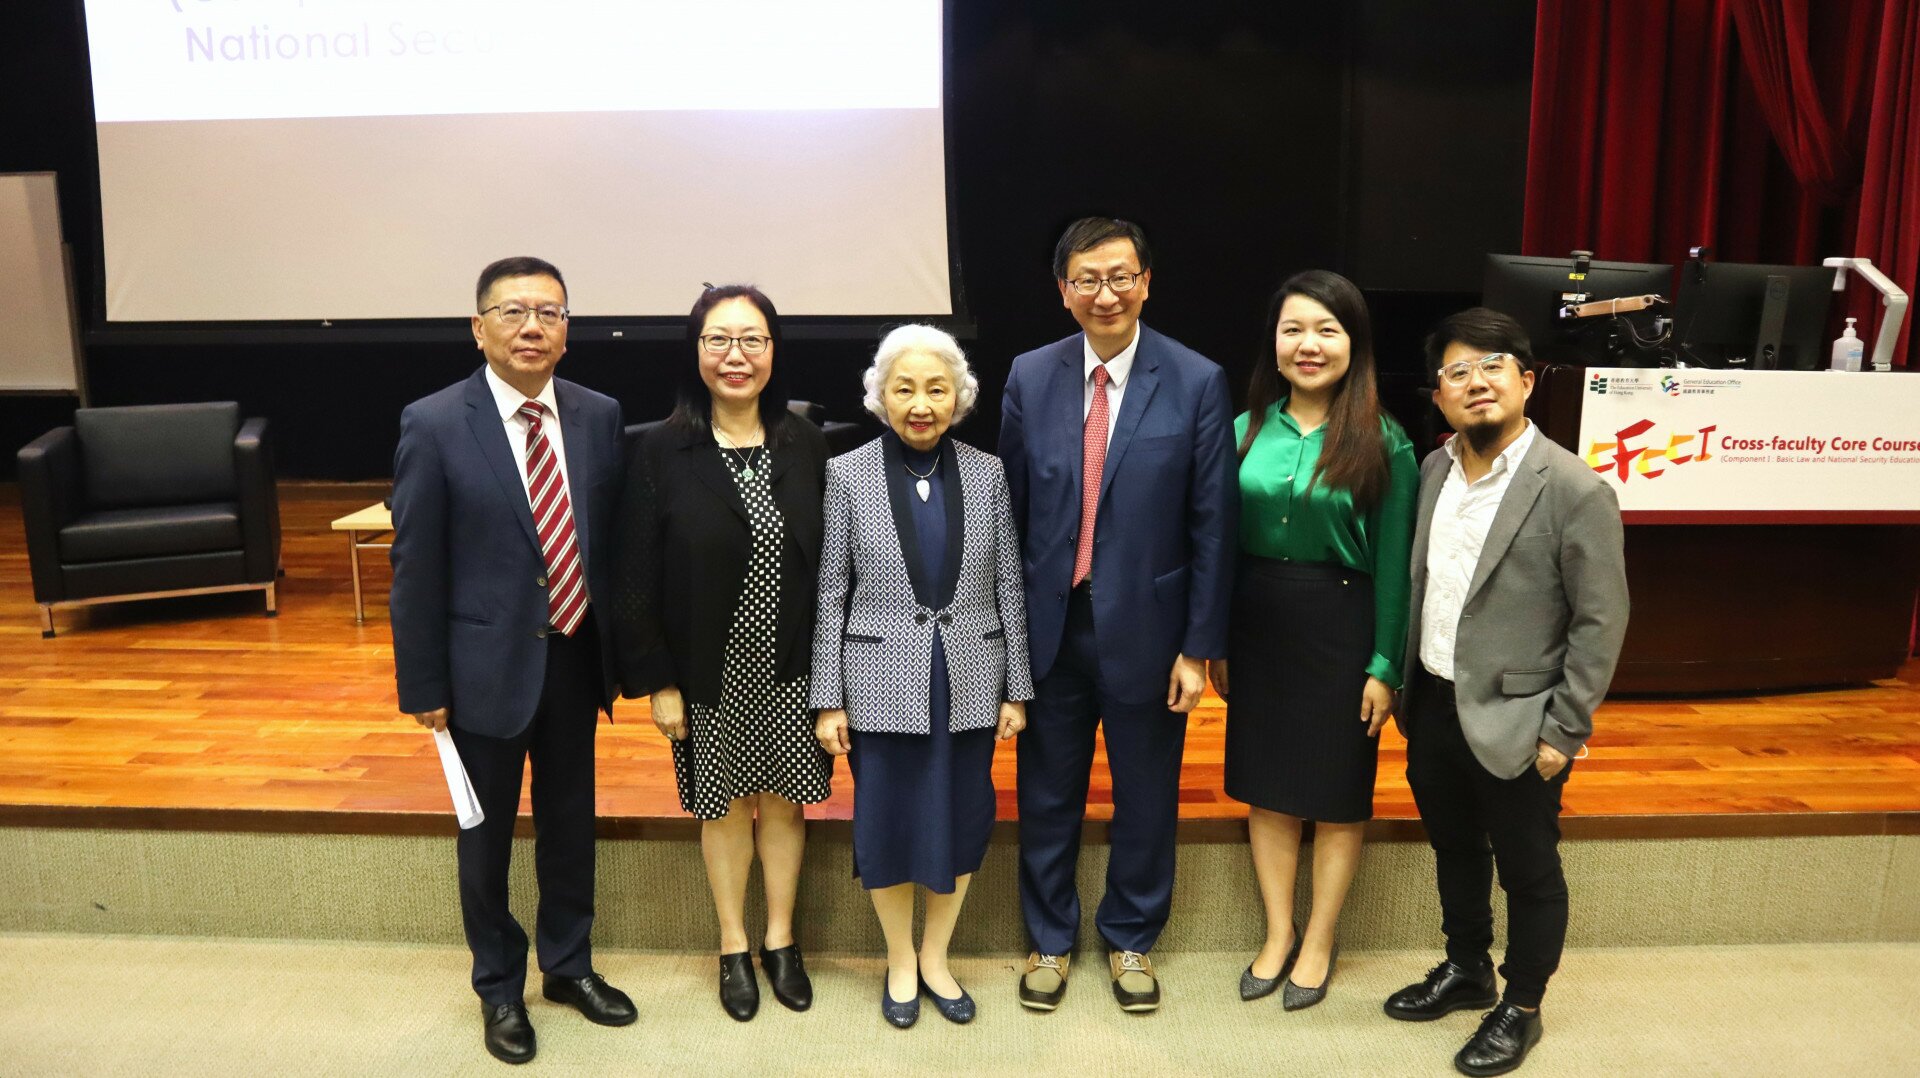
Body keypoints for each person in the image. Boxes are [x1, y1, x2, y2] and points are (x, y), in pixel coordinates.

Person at [391, 256, 635, 1065]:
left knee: (571, 827)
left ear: (568, 330)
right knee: (485, 839)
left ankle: (568, 967)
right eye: (514, 313)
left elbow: (608, 543)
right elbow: (416, 566)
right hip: (478, 672)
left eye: (551, 313)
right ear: (479, 328)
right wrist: (423, 684)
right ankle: (499, 986)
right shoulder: (433, 422)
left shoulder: (598, 416)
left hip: (572, 659)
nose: (533, 328)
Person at [999, 217, 1237, 1013]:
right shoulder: (1030, 376)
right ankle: (1049, 938)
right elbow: (1012, 518)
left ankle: (1132, 937)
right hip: (1051, 630)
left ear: (1146, 282)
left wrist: (1199, 648)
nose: (1106, 293)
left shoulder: (1196, 379)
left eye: (1121, 276)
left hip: (1151, 634)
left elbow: (1213, 525)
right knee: (1047, 792)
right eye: (1087, 280)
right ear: (1063, 291)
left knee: (1145, 794)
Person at [1384, 308, 1627, 1076]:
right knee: (1454, 847)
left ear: (1526, 381)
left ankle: (1521, 1005)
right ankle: (1466, 968)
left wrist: (1563, 731)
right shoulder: (1430, 470)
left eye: (1493, 366)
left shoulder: (1575, 487)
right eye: (1458, 371)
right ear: (1439, 395)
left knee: (1528, 868)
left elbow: (1600, 621)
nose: (1475, 382)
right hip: (1432, 702)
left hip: (1524, 721)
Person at [610, 284, 832, 1023]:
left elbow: (832, 563)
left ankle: (782, 941)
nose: (736, 355)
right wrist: (658, 683)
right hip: (707, 668)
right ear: (696, 351)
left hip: (793, 664)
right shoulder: (661, 449)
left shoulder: (805, 443)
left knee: (787, 806)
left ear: (774, 351)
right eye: (719, 339)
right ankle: (733, 945)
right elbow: (634, 575)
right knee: (726, 807)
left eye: (752, 339)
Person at [812, 324, 1034, 1029]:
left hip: (970, 677)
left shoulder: (987, 471)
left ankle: (937, 957)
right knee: (888, 824)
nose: (920, 402)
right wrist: (827, 700)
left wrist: (1017, 690)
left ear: (958, 398)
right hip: (878, 682)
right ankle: (899, 962)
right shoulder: (845, 472)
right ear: (880, 395)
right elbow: (830, 592)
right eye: (904, 388)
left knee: (963, 821)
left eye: (936, 388)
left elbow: (1008, 584)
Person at [1210, 270, 1417, 1010]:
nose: (1309, 344)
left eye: (1327, 330)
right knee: (1267, 792)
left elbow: (1396, 567)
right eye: (1294, 328)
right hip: (1259, 626)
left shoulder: (1384, 440)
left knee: (1335, 795)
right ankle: (1276, 933)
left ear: (1352, 344)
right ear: (1274, 340)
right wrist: (1218, 640)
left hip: (1343, 625)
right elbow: (1222, 553)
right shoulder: (1241, 432)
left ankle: (1320, 939)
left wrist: (1385, 665)